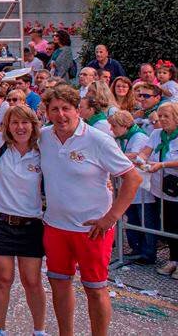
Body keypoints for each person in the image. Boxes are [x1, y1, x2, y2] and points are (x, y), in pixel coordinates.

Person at [40, 84, 140, 336]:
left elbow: (133, 178)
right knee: (59, 284)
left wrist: (111, 217)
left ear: (77, 110)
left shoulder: (97, 139)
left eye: (66, 109)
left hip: (92, 229)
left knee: (95, 289)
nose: (61, 115)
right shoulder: (42, 137)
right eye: (55, 109)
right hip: (55, 226)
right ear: (47, 112)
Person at [0, 75, 48, 336]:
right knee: (3, 279)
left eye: (25, 122)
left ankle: (39, 330)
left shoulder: (42, 148)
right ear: (7, 125)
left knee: (32, 281)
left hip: (31, 222)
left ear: (33, 125)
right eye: (15, 122)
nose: (20, 127)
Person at [107, 111, 157, 266]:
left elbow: (136, 155)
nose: (112, 129)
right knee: (132, 217)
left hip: (142, 188)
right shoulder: (121, 138)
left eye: (114, 126)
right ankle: (136, 248)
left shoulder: (139, 137)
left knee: (145, 220)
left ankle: (148, 252)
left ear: (125, 125)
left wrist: (116, 155)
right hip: (127, 188)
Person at [146, 103, 178, 278]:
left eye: (166, 116)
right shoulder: (156, 133)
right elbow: (145, 151)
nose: (161, 119)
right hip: (161, 188)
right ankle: (173, 259)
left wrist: (163, 164)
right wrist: (141, 159)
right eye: (160, 116)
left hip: (176, 187)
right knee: (168, 225)